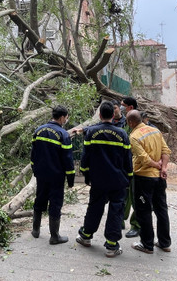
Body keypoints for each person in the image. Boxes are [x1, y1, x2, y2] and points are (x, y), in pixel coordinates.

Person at [76, 101, 133, 258]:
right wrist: (128, 177)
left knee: (94, 207)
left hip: (98, 180)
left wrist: (86, 175)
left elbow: (85, 157)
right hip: (117, 181)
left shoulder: (91, 133)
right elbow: (128, 159)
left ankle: (86, 236)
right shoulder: (122, 134)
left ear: (100, 115)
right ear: (113, 115)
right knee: (116, 211)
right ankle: (112, 246)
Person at [125, 110, 172, 254]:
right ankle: (165, 243)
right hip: (159, 178)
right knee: (161, 209)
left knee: (143, 211)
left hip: (143, 178)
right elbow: (166, 150)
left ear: (131, 122)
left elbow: (143, 158)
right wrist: (163, 168)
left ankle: (147, 244)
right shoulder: (155, 131)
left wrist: (157, 165)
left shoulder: (134, 136)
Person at [31, 105, 75, 244]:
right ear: (62, 117)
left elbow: (33, 154)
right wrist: (71, 179)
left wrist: (35, 169)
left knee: (40, 199)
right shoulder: (63, 134)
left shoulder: (38, 130)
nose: (66, 120)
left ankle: (35, 230)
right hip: (56, 176)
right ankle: (54, 236)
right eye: (66, 117)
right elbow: (68, 160)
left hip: (41, 174)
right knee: (55, 204)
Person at [119, 97, 142, 238]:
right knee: (124, 195)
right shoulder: (124, 123)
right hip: (124, 166)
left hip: (137, 168)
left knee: (136, 197)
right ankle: (120, 220)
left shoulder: (142, 124)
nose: (121, 108)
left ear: (130, 107)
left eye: (123, 106)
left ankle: (136, 225)